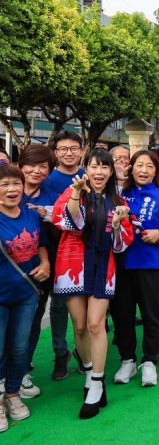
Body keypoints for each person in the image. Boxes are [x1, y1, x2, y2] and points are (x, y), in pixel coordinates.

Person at [52, 149, 134, 418]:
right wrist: (76, 193)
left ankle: (97, 382)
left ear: (111, 171)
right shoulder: (72, 192)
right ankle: (88, 372)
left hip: (103, 267)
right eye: (94, 166)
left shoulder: (118, 200)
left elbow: (120, 246)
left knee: (95, 324)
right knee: (79, 325)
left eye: (104, 167)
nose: (99, 172)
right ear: (86, 168)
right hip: (73, 264)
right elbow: (70, 224)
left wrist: (121, 223)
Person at [113, 150, 159, 388]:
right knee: (122, 315)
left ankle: (149, 361)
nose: (144, 170)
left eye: (149, 166)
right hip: (122, 265)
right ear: (131, 168)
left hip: (153, 264)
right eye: (139, 165)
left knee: (153, 314)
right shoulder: (119, 195)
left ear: (156, 170)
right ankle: (127, 360)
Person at [0, 164, 50, 432]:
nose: (12, 189)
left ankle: (12, 394)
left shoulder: (31, 215)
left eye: (16, 184)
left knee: (20, 348)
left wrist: (45, 263)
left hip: (27, 294)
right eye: (5, 185)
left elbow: (41, 243)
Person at [13, 145, 59, 399]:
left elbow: (62, 234)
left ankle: (20, 373)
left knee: (30, 323)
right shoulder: (8, 192)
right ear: (20, 165)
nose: (37, 171)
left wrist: (49, 219)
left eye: (44, 167)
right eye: (32, 165)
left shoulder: (52, 197)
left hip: (41, 271)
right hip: (7, 273)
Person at [42, 131, 85, 380]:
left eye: (73, 148)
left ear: (81, 151)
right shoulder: (48, 181)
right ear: (55, 153)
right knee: (58, 306)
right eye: (63, 149)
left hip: (86, 254)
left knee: (87, 308)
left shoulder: (89, 176)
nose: (69, 153)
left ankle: (84, 353)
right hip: (57, 252)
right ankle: (61, 353)